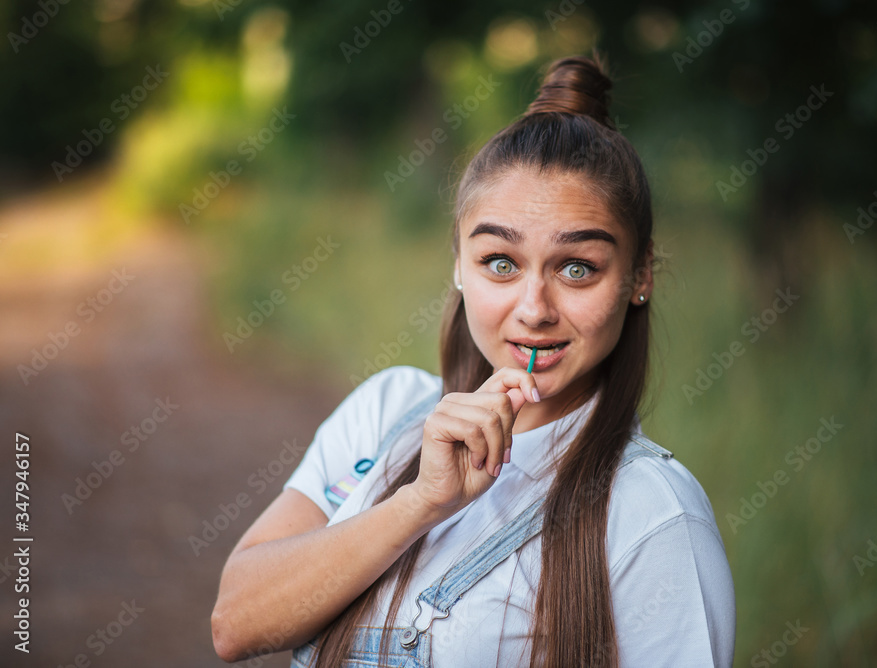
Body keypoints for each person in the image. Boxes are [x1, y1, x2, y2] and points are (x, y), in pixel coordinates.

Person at [211, 51, 736, 667]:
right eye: (500, 263)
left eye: (577, 268)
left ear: (639, 275)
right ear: (459, 264)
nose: (534, 309)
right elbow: (235, 623)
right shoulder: (386, 409)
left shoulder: (656, 515)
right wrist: (419, 503)